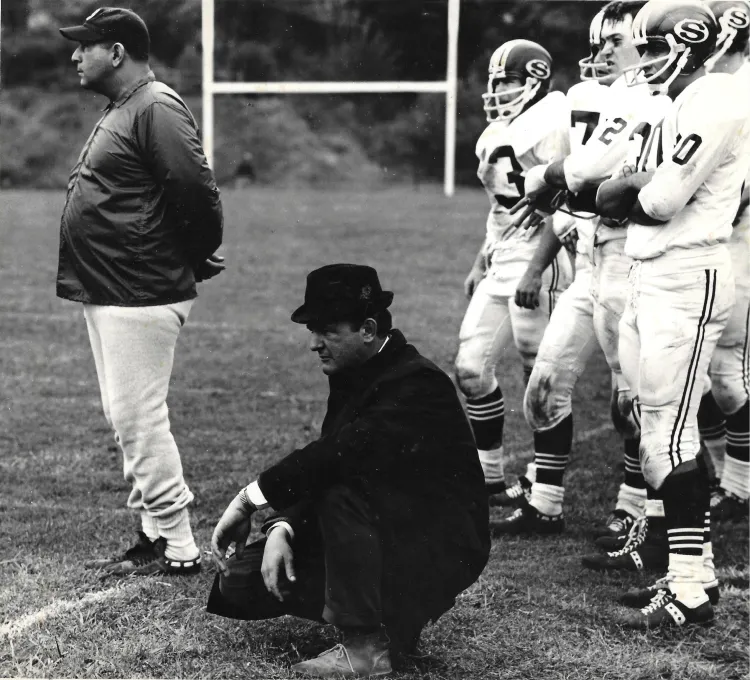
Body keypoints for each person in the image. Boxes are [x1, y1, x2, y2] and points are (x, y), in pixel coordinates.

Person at [206, 264, 490, 677]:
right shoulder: (356, 370)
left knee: (345, 492)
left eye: (327, 331)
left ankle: (367, 647)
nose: (315, 344)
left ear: (369, 329)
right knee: (242, 580)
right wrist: (281, 527)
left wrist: (249, 499)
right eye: (312, 331)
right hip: (391, 526)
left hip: (440, 545)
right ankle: (392, 624)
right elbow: (327, 461)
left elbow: (339, 457)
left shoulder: (416, 383)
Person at [595, 0, 750, 627]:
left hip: (687, 273)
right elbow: (609, 191)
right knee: (652, 427)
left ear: (690, 44)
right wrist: (629, 185)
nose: (647, 62)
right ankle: (686, 574)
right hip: (648, 270)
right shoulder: (676, 103)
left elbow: (656, 198)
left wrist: (631, 185)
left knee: (670, 432)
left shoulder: (715, 97)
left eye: (655, 47)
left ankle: (691, 587)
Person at [491, 1, 670, 537]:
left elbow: (606, 192)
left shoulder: (663, 103)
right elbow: (575, 192)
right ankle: (546, 502)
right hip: (590, 263)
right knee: (544, 387)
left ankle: (635, 508)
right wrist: (559, 195)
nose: (602, 53)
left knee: (630, 399)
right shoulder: (608, 101)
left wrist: (559, 184)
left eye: (615, 41)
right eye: (598, 44)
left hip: (631, 262)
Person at [58, 7, 224, 576]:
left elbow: (196, 190)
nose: (76, 56)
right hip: (114, 286)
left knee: (137, 417)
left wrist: (197, 252)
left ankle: (179, 545)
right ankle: (154, 530)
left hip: (140, 287)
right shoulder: (127, 106)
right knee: (125, 413)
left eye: (86, 46)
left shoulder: (154, 105)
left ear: (118, 52)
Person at [454, 39, 573, 505]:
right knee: (470, 367)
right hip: (503, 256)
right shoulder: (495, 132)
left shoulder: (554, 121)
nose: (498, 89)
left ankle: (546, 493)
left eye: (508, 80)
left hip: (543, 257)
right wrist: (481, 255)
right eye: (495, 80)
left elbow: (560, 204)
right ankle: (489, 479)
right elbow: (501, 208)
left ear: (537, 79)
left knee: (540, 379)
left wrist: (535, 269)